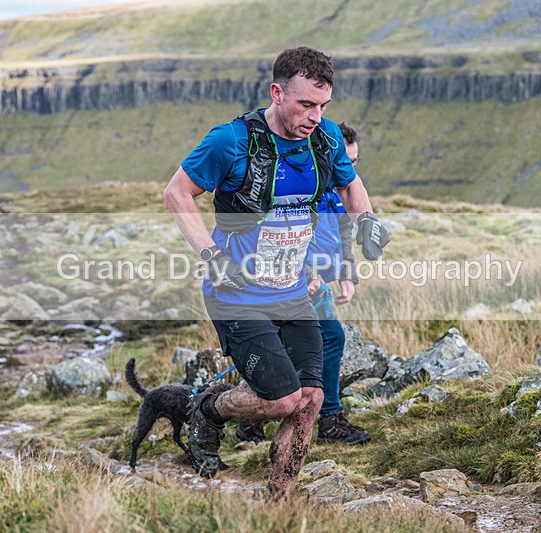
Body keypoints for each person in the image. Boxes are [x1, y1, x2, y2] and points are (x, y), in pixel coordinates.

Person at [163, 46, 389, 496]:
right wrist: (211, 254)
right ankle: (207, 410)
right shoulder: (232, 141)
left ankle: (279, 501)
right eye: (305, 104)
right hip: (236, 292)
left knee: (311, 400)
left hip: (290, 292)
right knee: (281, 398)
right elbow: (177, 193)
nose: (315, 116)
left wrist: (366, 220)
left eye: (323, 106)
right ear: (276, 92)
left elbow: (350, 183)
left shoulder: (324, 138)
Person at [236, 122, 369, 446]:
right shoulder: (308, 188)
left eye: (354, 163)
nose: (348, 170)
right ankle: (318, 419)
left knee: (312, 342)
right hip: (289, 283)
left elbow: (345, 233)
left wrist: (346, 274)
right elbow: (288, 235)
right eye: (344, 161)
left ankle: (260, 423)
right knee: (313, 341)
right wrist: (307, 273)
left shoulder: (339, 194)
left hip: (315, 282)